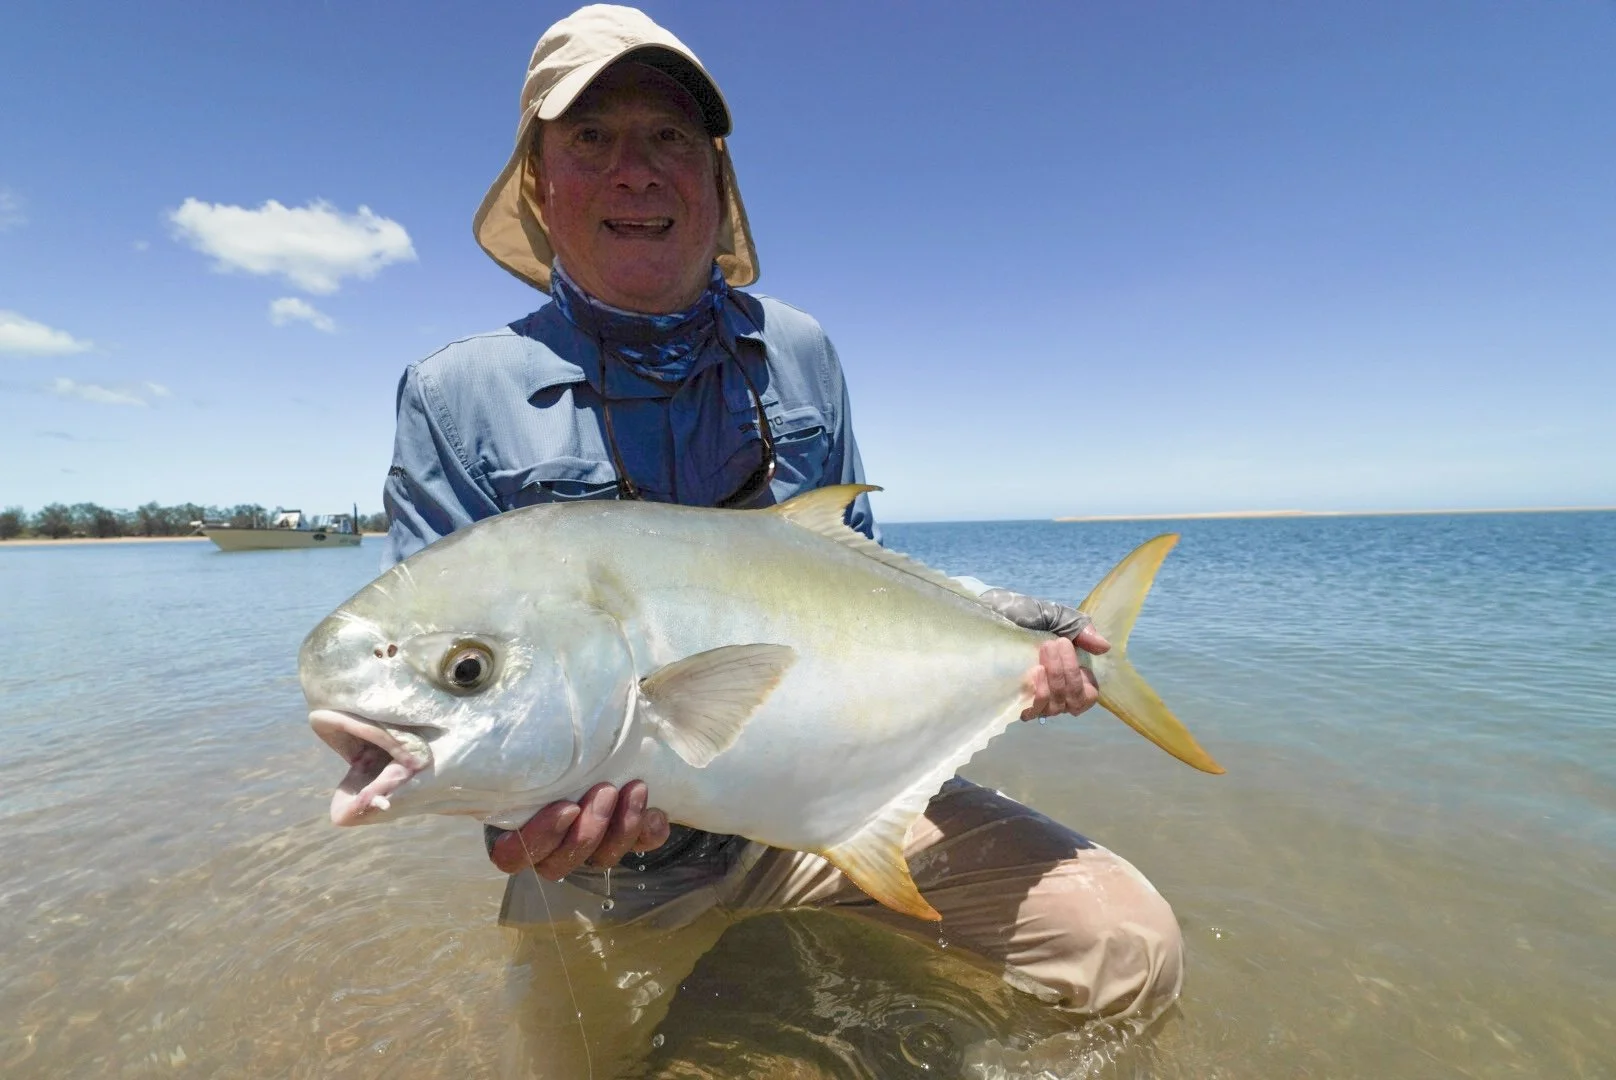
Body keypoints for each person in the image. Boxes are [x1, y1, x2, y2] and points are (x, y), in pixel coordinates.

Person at [381, 5, 1183, 1073]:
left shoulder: (799, 354)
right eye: (591, 138)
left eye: (668, 138)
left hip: (831, 800)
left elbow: (855, 582)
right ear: (538, 182)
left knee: (1128, 953)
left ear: (715, 183)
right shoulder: (455, 397)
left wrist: (996, 639)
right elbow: (443, 681)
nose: (634, 172)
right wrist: (514, 829)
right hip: (610, 874)